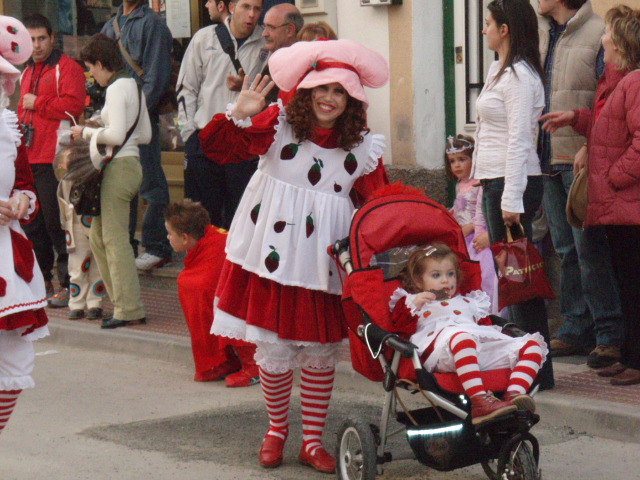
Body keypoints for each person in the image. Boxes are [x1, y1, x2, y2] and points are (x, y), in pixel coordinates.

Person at [200, 39, 390, 472]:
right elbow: (221, 150)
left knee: (320, 350)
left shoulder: (362, 148)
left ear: (352, 100)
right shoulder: (279, 123)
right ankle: (276, 431)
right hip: (272, 255)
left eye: (340, 91)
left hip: (321, 264)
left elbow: (379, 204)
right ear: (306, 91)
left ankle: (311, 441)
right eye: (322, 88)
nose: (328, 98)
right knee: (276, 346)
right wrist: (242, 112)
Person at [541, 6, 640, 386]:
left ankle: (636, 359)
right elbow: (608, 127)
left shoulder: (633, 82)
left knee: (631, 283)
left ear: (622, 43)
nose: (603, 40)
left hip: (626, 202)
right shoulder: (619, 81)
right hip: (617, 203)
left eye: (608, 35)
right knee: (624, 279)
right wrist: (577, 119)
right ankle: (629, 354)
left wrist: (615, 177)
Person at [472, 0, 554, 390]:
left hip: (511, 183)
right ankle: (530, 368)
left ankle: (535, 371)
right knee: (514, 280)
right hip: (496, 180)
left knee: (520, 281)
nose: (483, 30)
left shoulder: (520, 76)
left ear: (505, 29)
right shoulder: (499, 71)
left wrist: (510, 200)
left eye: (488, 23)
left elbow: (522, 139)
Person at [390, 244, 547, 424]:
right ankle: (479, 401)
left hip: (476, 350)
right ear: (418, 281)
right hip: (444, 353)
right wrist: (416, 304)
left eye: (450, 274)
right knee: (463, 338)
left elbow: (486, 328)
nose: (445, 281)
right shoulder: (413, 301)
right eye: (436, 275)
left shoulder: (470, 301)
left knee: (532, 346)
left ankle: (514, 396)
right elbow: (400, 328)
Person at [71, 34, 151, 329]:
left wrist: (88, 132)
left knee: (114, 240)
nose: (91, 74)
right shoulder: (133, 86)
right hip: (130, 165)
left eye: (91, 67)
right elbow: (146, 135)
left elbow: (116, 135)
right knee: (100, 237)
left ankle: (128, 308)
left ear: (103, 63)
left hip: (117, 168)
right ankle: (122, 302)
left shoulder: (117, 88)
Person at [176, 0, 268, 230]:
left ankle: (232, 266)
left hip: (243, 141)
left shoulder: (265, 44)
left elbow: (268, 93)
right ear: (231, 6)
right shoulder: (204, 38)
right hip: (206, 137)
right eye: (246, 7)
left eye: (257, 9)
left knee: (240, 217)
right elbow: (186, 88)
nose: (251, 15)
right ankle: (206, 265)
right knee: (202, 218)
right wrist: (189, 134)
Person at [0, 15, 49, 436]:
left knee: (14, 362)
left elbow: (26, 185)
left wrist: (20, 201)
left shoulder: (8, 129)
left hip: (5, 258)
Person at [18, 14, 86, 306]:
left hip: (55, 158)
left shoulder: (67, 68)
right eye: (31, 40)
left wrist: (39, 103)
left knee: (57, 224)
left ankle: (69, 284)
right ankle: (41, 280)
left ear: (51, 38)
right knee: (32, 225)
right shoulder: (24, 72)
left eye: (41, 38)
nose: (36, 45)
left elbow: (74, 106)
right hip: (29, 157)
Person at [101, 0, 174, 271]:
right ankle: (125, 247)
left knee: (150, 181)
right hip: (116, 121)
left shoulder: (153, 23)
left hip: (141, 120)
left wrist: (135, 116)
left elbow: (157, 77)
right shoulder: (111, 24)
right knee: (122, 183)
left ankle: (157, 246)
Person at [166, 199, 254, 385]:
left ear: (184, 238)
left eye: (170, 234)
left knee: (209, 294)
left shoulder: (216, 248)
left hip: (254, 296)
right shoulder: (209, 239)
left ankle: (253, 363)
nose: (168, 238)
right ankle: (225, 358)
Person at [446, 135, 501, 315]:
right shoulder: (460, 184)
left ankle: (486, 310)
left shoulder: (478, 183)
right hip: (461, 234)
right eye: (452, 161)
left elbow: (482, 211)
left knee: (482, 275)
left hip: (475, 236)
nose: (457, 165)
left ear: (474, 159)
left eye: (462, 160)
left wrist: (469, 227)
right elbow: (459, 206)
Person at [54, 141, 105, 321]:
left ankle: (95, 303)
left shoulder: (95, 172)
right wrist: (65, 225)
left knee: (98, 264)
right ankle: (76, 303)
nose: (63, 163)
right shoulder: (65, 179)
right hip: (74, 224)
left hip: (94, 221)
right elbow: (63, 205)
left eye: (67, 159)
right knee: (77, 266)